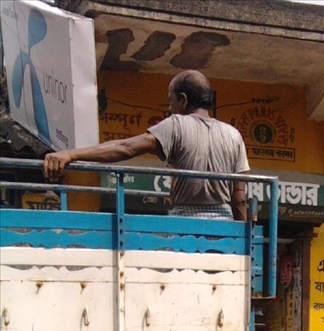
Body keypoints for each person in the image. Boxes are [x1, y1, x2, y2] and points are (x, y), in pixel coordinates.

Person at [43, 70, 248, 220]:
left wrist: (70, 155)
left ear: (183, 100)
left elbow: (126, 148)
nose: (170, 108)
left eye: (171, 101)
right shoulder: (234, 135)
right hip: (225, 224)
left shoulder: (175, 125)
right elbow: (239, 197)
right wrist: (242, 241)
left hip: (185, 224)